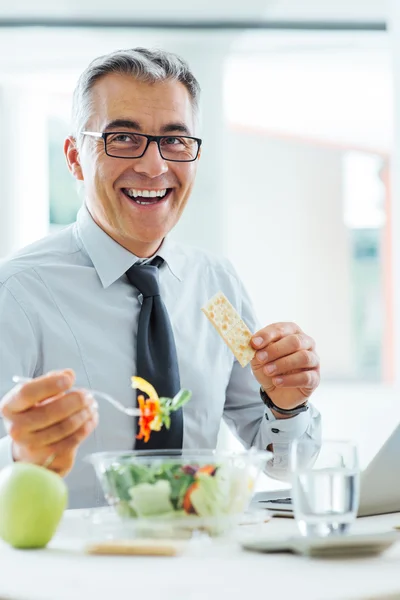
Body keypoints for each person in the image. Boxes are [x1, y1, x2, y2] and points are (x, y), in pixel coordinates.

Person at [0, 48, 321, 508]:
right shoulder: (17, 294)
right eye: (124, 138)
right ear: (75, 157)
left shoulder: (216, 284)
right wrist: (19, 455)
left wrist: (287, 405)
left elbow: (283, 463)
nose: (154, 166)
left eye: (174, 141)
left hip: (198, 560)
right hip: (75, 569)